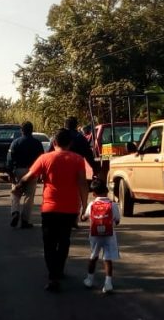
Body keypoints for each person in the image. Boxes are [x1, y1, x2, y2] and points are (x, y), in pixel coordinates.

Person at [12, 128, 88, 292]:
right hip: (69, 208)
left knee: (49, 242)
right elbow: (83, 184)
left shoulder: (45, 158)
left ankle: (53, 275)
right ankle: (59, 270)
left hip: (49, 208)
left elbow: (30, 176)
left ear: (54, 143)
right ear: (70, 143)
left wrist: (19, 186)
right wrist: (84, 207)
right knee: (64, 240)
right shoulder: (78, 159)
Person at [81, 180, 121, 294]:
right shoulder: (113, 205)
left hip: (95, 235)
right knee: (107, 259)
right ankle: (108, 283)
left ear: (93, 194)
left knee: (93, 256)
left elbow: (85, 217)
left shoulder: (92, 204)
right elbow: (117, 220)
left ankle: (89, 279)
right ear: (107, 191)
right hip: (109, 235)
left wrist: (83, 217)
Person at [7, 121, 45, 229]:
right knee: (29, 196)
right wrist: (41, 172)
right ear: (32, 130)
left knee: (15, 193)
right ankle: (25, 220)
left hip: (18, 170)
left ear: (21, 130)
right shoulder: (37, 143)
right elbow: (41, 159)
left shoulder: (15, 142)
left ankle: (15, 212)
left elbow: (10, 159)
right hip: (32, 171)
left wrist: (10, 173)